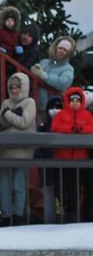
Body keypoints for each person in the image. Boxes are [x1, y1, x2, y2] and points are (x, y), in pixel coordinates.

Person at [0, 72, 36, 225]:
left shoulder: (29, 102)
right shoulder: (6, 103)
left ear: (24, 87)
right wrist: (12, 117)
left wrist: (8, 116)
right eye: (11, 87)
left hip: (22, 151)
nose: (14, 90)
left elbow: (25, 123)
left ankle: (18, 216)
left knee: (18, 184)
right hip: (5, 150)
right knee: (2, 185)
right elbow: (0, 124)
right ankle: (6, 216)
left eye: (17, 87)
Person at [49, 87, 92, 222]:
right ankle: (63, 214)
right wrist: (71, 129)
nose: (74, 102)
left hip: (80, 161)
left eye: (77, 100)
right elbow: (55, 128)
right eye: (72, 100)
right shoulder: (61, 115)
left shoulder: (87, 116)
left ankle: (72, 216)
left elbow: (91, 127)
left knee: (75, 189)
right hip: (62, 159)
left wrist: (81, 129)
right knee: (61, 189)